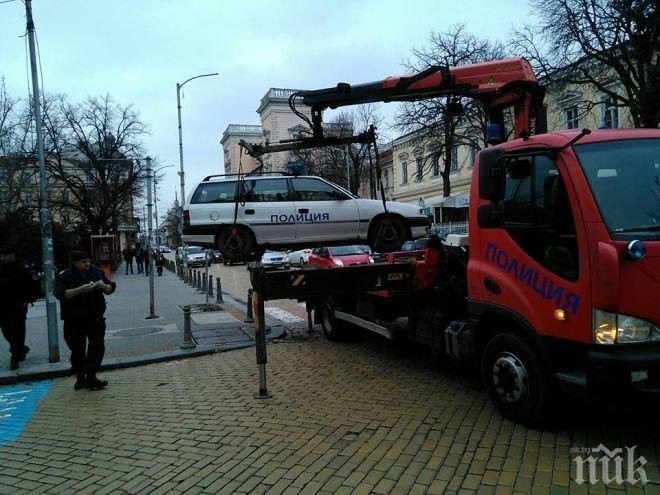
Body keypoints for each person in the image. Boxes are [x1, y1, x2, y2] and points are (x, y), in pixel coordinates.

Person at [54, 251, 116, 390]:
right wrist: (81, 289)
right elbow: (60, 294)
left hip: (95, 317)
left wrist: (104, 287)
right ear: (75, 263)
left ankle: (92, 376)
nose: (87, 264)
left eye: (88, 261)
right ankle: (80, 377)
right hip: (74, 319)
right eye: (83, 262)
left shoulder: (96, 273)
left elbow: (110, 288)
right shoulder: (66, 276)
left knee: (97, 345)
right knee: (77, 349)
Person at [0, 243, 40, 370]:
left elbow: (34, 284)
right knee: (5, 329)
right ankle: (21, 348)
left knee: (18, 328)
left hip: (19, 302)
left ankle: (15, 356)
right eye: (1, 256)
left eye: (4, 256)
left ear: (12, 254)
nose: (2, 258)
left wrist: (29, 299)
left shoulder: (25, 266)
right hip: (2, 303)